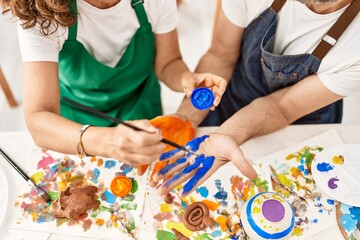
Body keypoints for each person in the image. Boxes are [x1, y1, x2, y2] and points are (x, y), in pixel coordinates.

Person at [153, 0, 360, 196]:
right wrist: (187, 117)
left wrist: (231, 134)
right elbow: (220, 55)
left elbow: (283, 107)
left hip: (301, 122)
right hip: (231, 94)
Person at [0, 0, 227, 166]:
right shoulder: (41, 13)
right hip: (74, 123)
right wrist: (108, 141)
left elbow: (168, 62)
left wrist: (186, 79)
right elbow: (39, 119)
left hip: (141, 107)